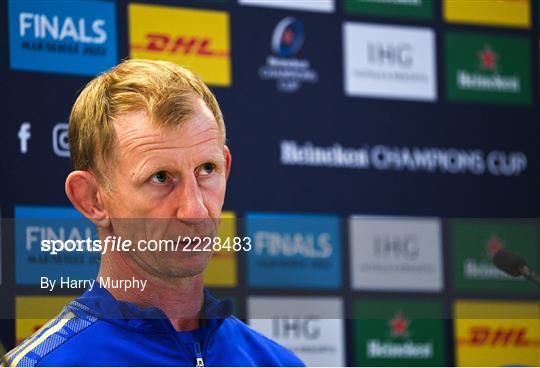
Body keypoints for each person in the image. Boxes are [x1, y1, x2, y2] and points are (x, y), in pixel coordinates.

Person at [2, 59, 304, 367]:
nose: (195, 210)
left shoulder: (277, 362)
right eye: (160, 177)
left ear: (225, 168)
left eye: (207, 169)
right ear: (92, 199)